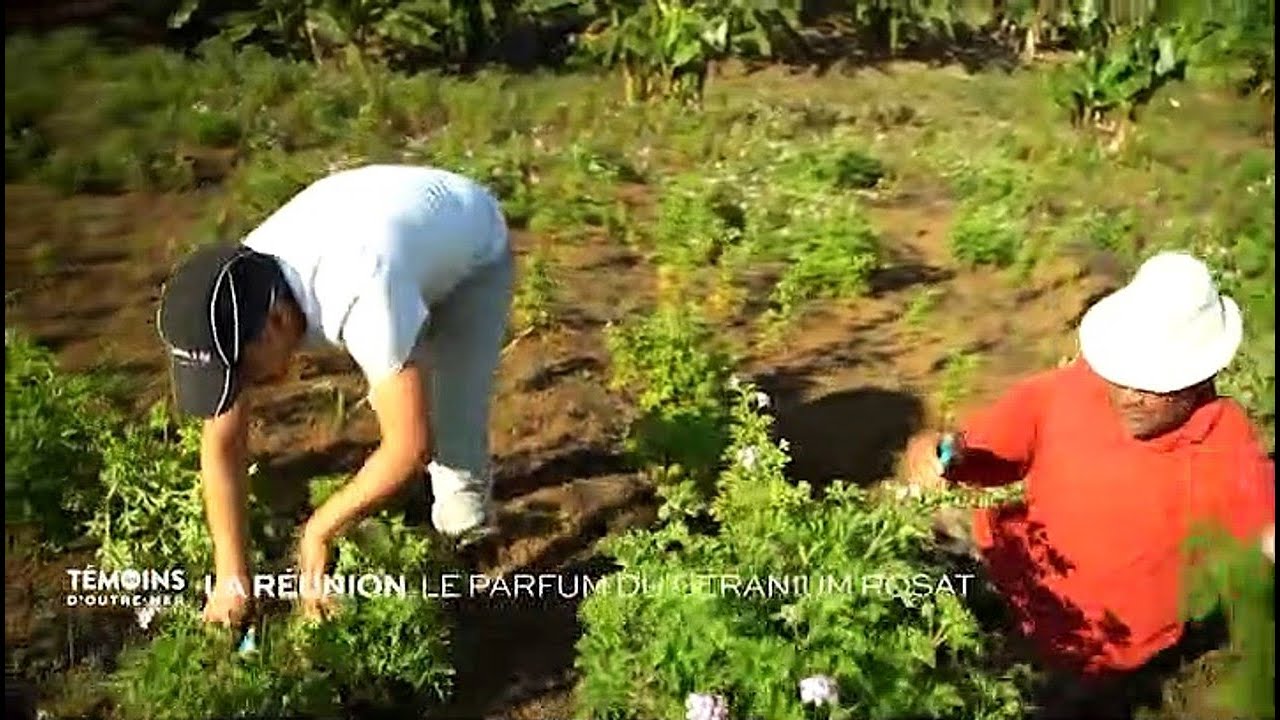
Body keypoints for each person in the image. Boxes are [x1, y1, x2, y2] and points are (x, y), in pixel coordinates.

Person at [901, 251, 1275, 716]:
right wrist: (934, 451)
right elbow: (970, 453)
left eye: (1156, 384)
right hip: (1019, 584)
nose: (1132, 396)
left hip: (1113, 650)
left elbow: (1260, 529)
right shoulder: (1061, 393)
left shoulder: (1223, 439)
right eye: (1123, 376)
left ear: (1203, 376)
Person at [156, 164, 514, 624]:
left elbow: (411, 445)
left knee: (449, 427)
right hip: (388, 233)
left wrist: (319, 531)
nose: (240, 385)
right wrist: (231, 578)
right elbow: (222, 442)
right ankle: (400, 456)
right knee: (401, 369)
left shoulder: (360, 293)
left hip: (471, 248)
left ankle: (469, 540)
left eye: (241, 370)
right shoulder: (238, 292)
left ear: (279, 323)